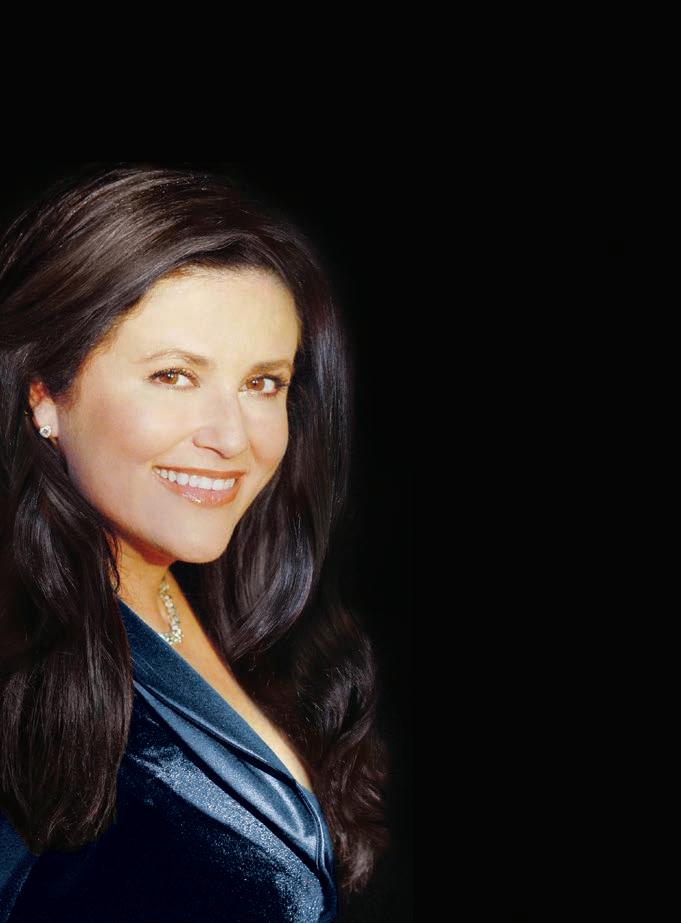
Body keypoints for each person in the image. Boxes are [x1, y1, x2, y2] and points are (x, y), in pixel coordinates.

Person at [0, 163, 390, 922]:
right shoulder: (19, 665)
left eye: (263, 383)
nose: (232, 438)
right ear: (44, 391)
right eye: (174, 376)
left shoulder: (236, 613)